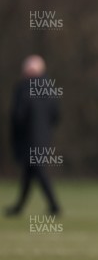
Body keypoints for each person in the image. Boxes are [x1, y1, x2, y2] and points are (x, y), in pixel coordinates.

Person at [6, 55, 61, 217]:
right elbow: (56, 115)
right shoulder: (50, 88)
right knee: (29, 172)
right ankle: (19, 207)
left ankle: (54, 205)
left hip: (28, 138)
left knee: (37, 170)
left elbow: (18, 115)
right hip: (43, 138)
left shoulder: (24, 88)